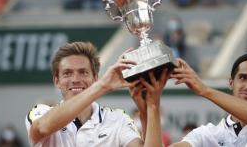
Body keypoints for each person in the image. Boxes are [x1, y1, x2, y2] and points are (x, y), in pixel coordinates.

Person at [25, 41, 167, 147]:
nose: (75, 80)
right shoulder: (40, 112)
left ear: (95, 78)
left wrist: (150, 107)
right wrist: (103, 86)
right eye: (67, 73)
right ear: (57, 81)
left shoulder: (118, 120)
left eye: (83, 72)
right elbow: (42, 129)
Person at [169, 51, 247, 146]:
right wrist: (152, 104)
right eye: (243, 78)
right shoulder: (206, 135)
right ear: (231, 83)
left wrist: (205, 90)